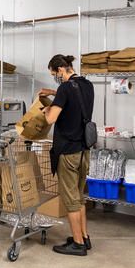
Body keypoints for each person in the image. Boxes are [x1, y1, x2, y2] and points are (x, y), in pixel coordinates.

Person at [39, 54, 95, 256]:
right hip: (84, 150)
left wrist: (46, 109)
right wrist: (54, 92)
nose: (56, 77)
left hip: (68, 152)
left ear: (61, 69)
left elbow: (51, 119)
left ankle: (78, 244)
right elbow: (74, 98)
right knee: (79, 197)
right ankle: (85, 236)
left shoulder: (65, 88)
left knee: (70, 200)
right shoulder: (87, 85)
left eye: (55, 74)